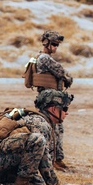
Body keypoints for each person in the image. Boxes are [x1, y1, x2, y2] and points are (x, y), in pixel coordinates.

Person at [0, 89, 72, 185]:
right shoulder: (41, 124)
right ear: (53, 109)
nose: (67, 113)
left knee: (39, 184)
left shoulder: (27, 115)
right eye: (65, 108)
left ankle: (0, 184)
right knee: (38, 140)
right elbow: (45, 161)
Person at [28, 30, 73, 171]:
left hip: (50, 97)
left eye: (57, 45)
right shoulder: (45, 59)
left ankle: (56, 159)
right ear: (46, 43)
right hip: (50, 99)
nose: (55, 47)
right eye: (53, 44)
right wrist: (67, 78)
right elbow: (63, 73)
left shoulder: (40, 57)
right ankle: (54, 160)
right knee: (55, 129)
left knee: (56, 128)